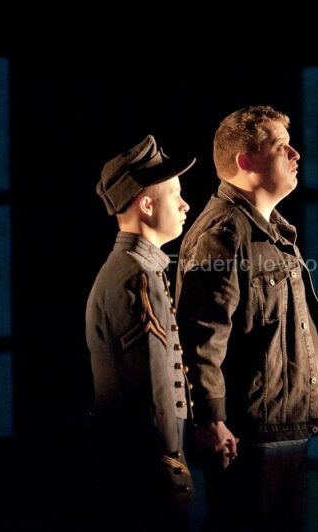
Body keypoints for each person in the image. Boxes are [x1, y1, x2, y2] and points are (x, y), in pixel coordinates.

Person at [175, 105, 318, 532]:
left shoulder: (272, 231)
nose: (295, 154)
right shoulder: (223, 234)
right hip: (251, 437)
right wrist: (211, 420)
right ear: (245, 162)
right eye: (280, 146)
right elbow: (200, 337)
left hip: (283, 427)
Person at [85, 134, 196, 531]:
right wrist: (172, 463)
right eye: (175, 195)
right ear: (146, 205)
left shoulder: (139, 268)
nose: (185, 205)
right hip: (142, 471)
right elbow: (152, 389)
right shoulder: (136, 275)